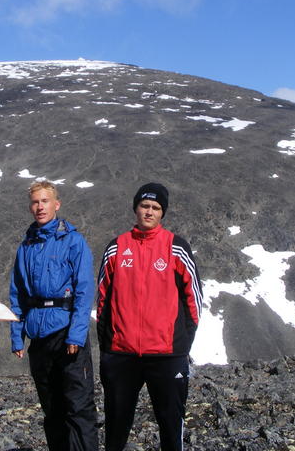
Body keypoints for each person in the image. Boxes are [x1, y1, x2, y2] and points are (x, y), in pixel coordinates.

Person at [97, 183, 203, 451]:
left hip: (167, 355)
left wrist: (181, 343)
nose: (149, 212)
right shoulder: (116, 247)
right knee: (116, 429)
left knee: (170, 425)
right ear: (136, 208)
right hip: (122, 355)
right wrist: (109, 347)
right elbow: (102, 301)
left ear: (162, 213)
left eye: (155, 208)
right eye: (145, 206)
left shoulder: (176, 247)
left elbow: (194, 300)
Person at [9, 180, 98, 451]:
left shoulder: (73, 241)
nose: (40, 207)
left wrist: (77, 334)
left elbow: (84, 291)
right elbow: (18, 294)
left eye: (45, 201)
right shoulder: (26, 246)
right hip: (39, 337)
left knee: (79, 407)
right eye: (35, 202)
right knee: (52, 409)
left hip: (66, 333)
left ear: (56, 204)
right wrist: (17, 336)